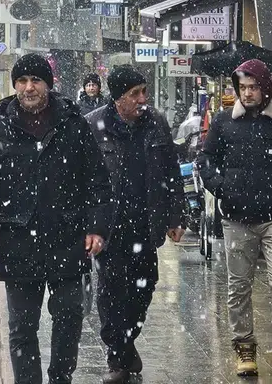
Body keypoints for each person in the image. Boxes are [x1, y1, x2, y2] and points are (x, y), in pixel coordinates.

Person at [0, 54, 113, 384]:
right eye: (22, 81)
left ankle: (61, 377)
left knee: (70, 317)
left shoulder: (74, 126)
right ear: (15, 86)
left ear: (48, 84)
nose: (29, 87)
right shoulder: (0, 130)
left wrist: (97, 228)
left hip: (68, 237)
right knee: (22, 328)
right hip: (18, 241)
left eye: (36, 81)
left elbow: (98, 183)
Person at [84, 66, 185, 383]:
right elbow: (80, 180)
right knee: (112, 291)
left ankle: (126, 343)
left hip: (146, 223)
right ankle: (117, 358)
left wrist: (175, 216)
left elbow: (171, 173)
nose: (143, 99)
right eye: (134, 94)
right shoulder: (93, 126)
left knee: (143, 289)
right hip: (110, 226)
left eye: (144, 91)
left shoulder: (156, 123)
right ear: (117, 98)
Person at [197, 59, 272, 377]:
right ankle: (244, 348)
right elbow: (205, 158)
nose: (247, 93)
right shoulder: (224, 122)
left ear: (265, 87)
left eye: (252, 87)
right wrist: (221, 187)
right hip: (237, 217)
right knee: (239, 286)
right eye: (242, 88)